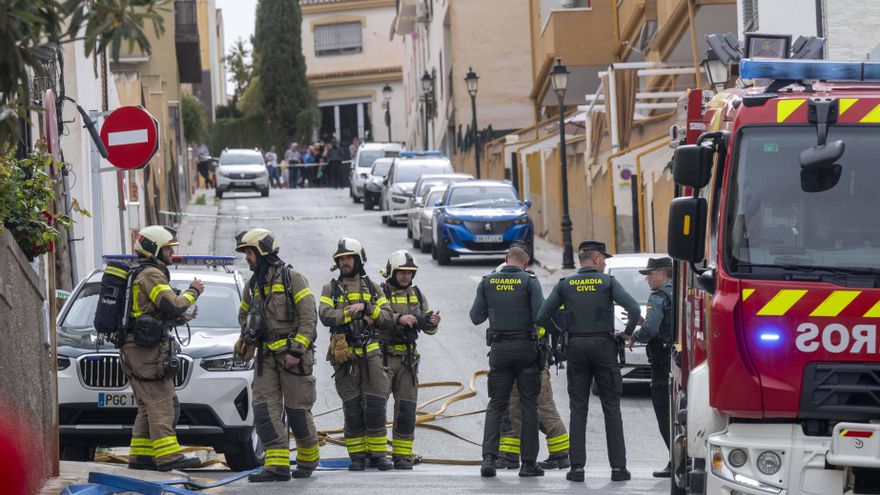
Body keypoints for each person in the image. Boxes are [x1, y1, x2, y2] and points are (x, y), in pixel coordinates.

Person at [536, 240, 640, 483]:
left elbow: (542, 316)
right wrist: (626, 333)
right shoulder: (607, 282)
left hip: (577, 349)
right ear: (595, 259)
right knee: (611, 408)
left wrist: (561, 333)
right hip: (604, 348)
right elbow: (634, 309)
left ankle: (577, 468)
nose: (604, 263)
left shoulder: (566, 284)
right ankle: (618, 468)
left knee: (578, 409)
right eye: (603, 259)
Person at [234, 229, 320, 482]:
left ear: (264, 252)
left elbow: (308, 317)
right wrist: (249, 332)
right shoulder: (252, 285)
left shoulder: (292, 278)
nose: (247, 258)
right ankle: (277, 466)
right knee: (264, 411)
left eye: (250, 252)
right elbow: (243, 315)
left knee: (297, 413)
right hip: (266, 358)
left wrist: (297, 350)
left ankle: (307, 460)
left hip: (293, 358)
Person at [120, 226, 203, 472]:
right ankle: (169, 457)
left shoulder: (143, 274)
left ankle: (141, 456)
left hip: (135, 349)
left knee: (147, 406)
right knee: (163, 402)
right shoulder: (151, 275)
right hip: (145, 352)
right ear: (155, 248)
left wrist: (182, 317)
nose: (171, 253)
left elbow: (154, 312)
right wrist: (193, 291)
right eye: (168, 248)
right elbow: (172, 303)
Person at [469, 242, 545, 478]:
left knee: (496, 404)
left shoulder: (487, 281)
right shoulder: (530, 281)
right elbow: (540, 315)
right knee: (529, 405)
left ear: (505, 258)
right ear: (526, 262)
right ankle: (529, 464)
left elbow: (475, 317)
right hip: (526, 350)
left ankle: (489, 460)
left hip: (500, 350)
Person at [318, 239, 394, 471]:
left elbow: (389, 318)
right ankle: (358, 457)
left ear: (358, 259)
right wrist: (351, 314)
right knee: (351, 408)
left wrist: (368, 308)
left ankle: (378, 455)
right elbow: (325, 316)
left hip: (371, 354)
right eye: (341, 259)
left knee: (375, 406)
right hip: (344, 358)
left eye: (349, 258)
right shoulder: (330, 288)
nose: (344, 262)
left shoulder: (372, 287)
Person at [378, 250, 441, 470]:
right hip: (383, 359)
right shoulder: (380, 292)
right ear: (392, 272)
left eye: (409, 272)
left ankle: (402, 455)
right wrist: (398, 319)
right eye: (402, 272)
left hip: (408, 360)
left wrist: (431, 323)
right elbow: (374, 319)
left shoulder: (417, 294)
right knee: (375, 408)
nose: (406, 276)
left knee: (406, 408)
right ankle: (375, 454)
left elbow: (428, 330)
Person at [625, 257, 674, 478]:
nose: (647, 280)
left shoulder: (658, 296)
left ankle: (675, 459)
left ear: (662, 273)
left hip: (662, 360)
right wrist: (643, 322)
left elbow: (651, 329)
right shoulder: (679, 292)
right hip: (677, 357)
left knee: (664, 411)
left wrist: (635, 335)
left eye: (650, 274)